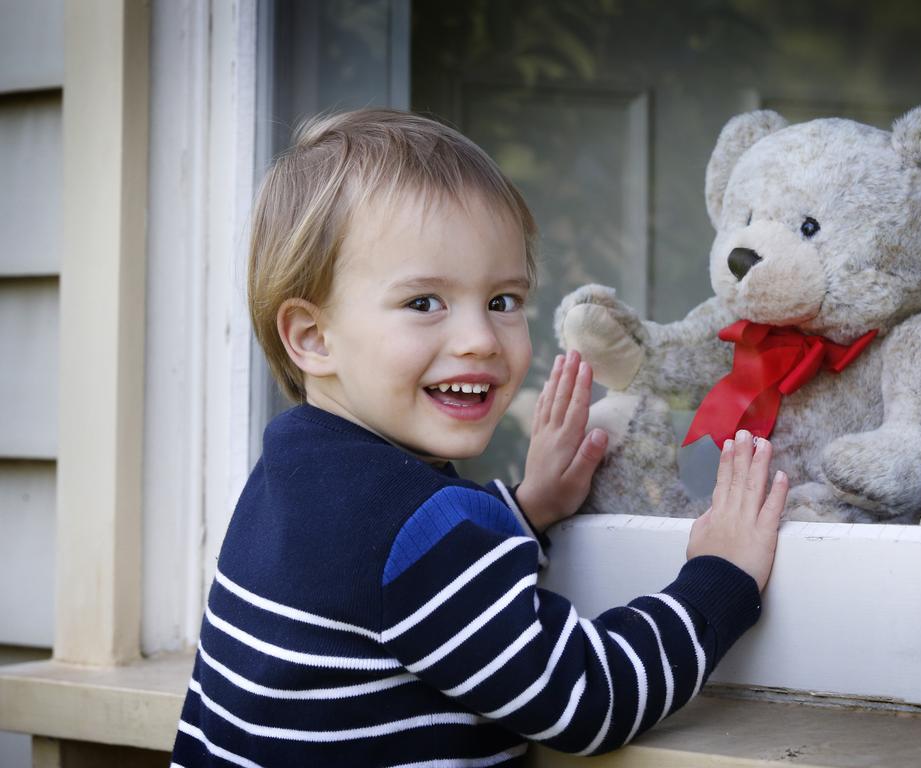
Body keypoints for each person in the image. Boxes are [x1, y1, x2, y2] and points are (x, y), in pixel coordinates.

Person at [170, 108, 788, 768]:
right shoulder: (409, 533)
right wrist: (721, 577)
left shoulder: (292, 472)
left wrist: (527, 508)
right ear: (313, 338)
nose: (480, 339)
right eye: (424, 302)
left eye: (503, 301)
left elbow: (411, 584)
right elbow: (588, 699)